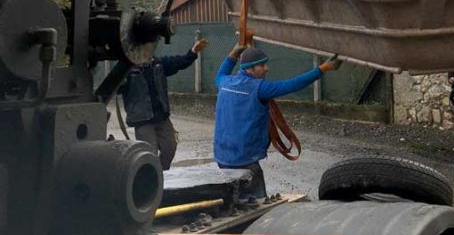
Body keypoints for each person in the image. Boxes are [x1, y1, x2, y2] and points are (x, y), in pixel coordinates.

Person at [213, 44, 340, 198]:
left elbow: (222, 72)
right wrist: (322, 69)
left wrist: (233, 54)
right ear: (249, 68)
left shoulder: (224, 82)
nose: (267, 68)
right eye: (261, 65)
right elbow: (293, 84)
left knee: (232, 198)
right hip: (245, 158)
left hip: (222, 156)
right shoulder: (259, 88)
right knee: (256, 202)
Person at [120, 38, 209, 170]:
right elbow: (114, 88)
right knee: (149, 154)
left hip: (161, 117)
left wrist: (193, 51)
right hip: (142, 120)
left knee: (170, 147)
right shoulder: (127, 69)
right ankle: (150, 177)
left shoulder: (158, 64)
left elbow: (180, 62)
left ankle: (160, 173)